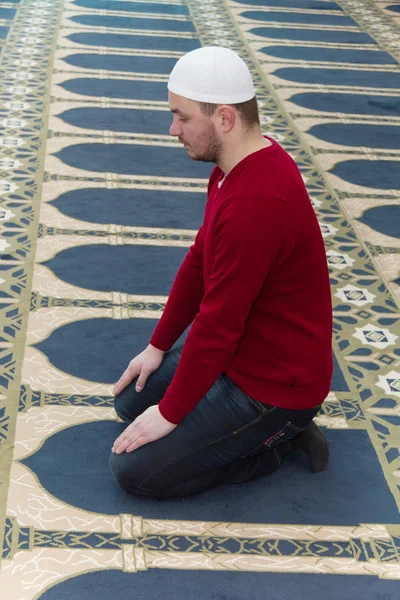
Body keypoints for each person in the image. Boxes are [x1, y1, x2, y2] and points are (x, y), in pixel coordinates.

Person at [109, 46, 333, 498]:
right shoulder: (239, 164)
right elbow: (199, 260)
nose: (173, 130)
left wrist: (171, 414)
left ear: (225, 118)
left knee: (135, 472)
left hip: (274, 386)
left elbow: (218, 326)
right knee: (131, 402)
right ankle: (239, 428)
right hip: (242, 349)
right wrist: (157, 346)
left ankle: (280, 439)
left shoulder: (258, 204)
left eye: (182, 117)